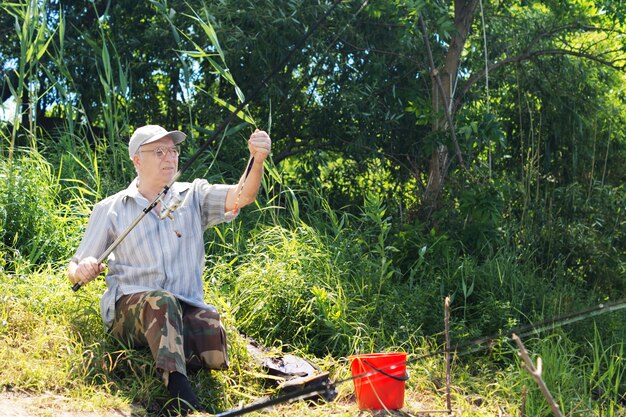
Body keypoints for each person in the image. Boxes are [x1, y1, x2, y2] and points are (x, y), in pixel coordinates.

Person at [67, 124, 271, 415]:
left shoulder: (193, 195)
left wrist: (257, 159)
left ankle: (165, 357)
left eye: (173, 150)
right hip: (132, 311)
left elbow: (242, 196)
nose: (170, 157)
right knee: (161, 302)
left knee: (210, 330)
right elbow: (74, 266)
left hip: (183, 308)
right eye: (159, 151)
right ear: (137, 160)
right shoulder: (111, 208)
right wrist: (82, 269)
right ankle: (181, 398)